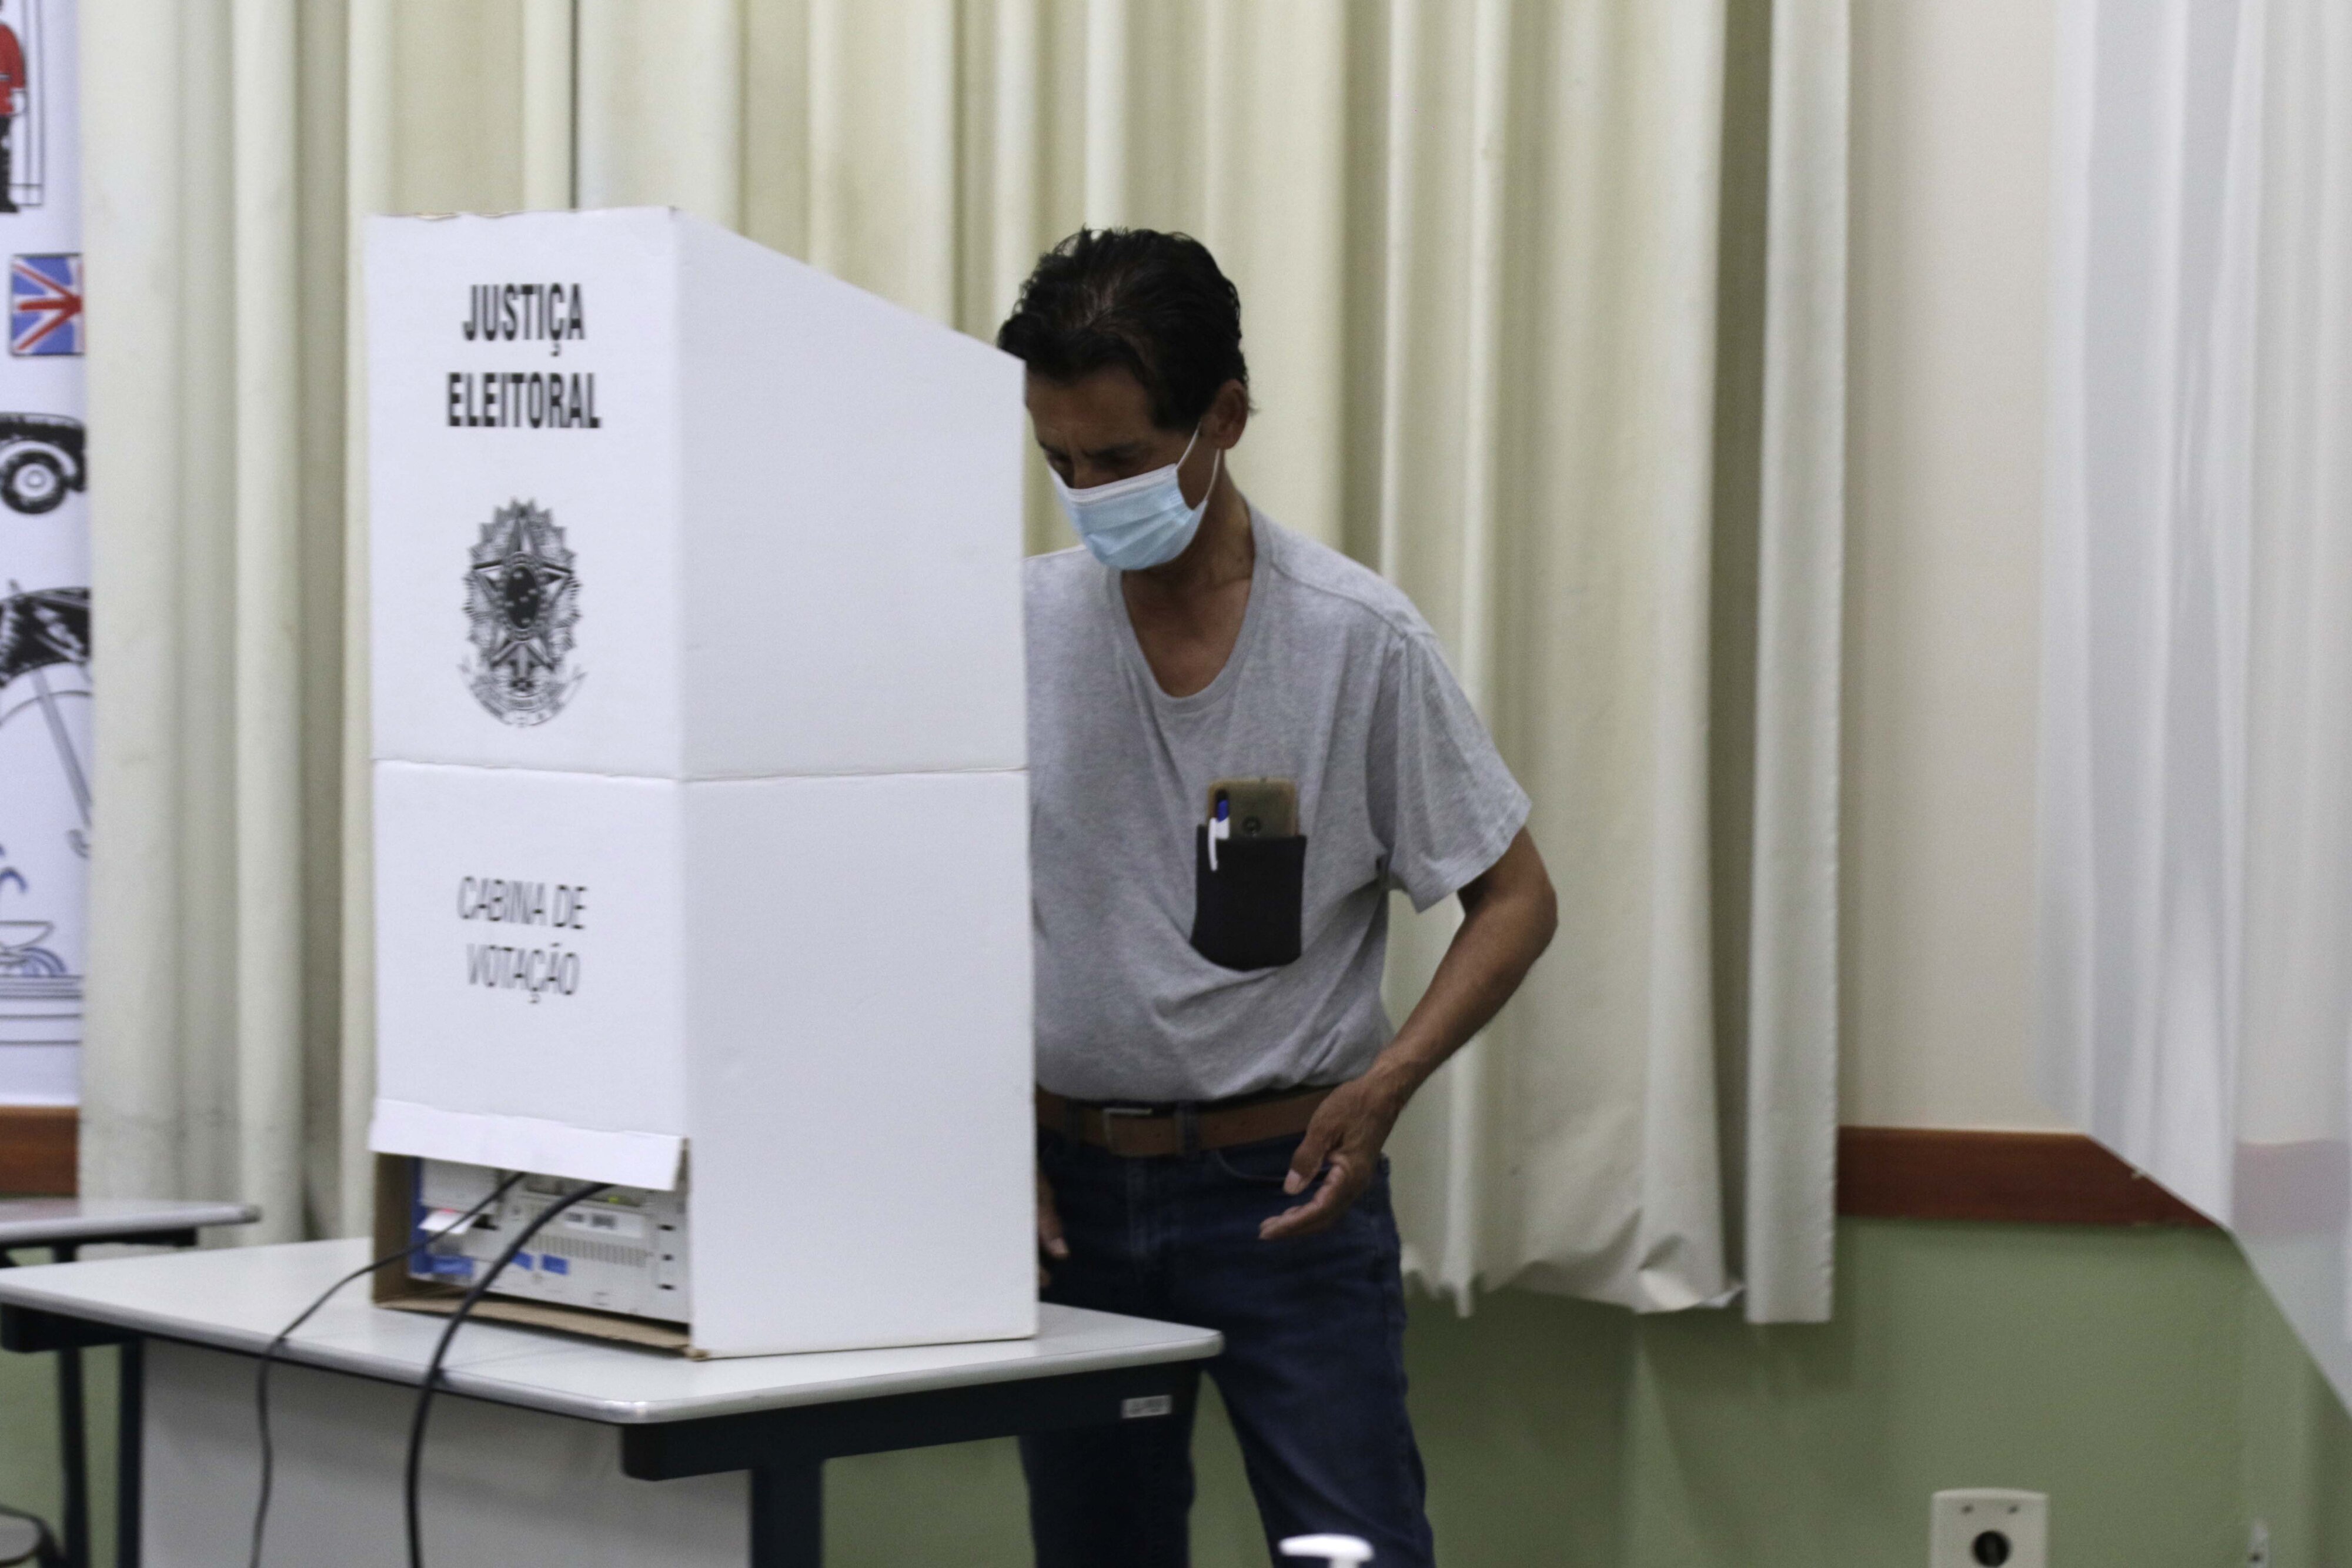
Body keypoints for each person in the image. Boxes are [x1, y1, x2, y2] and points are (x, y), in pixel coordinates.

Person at [1002, 228, 1558, 1567]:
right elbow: (923, 910)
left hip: (1284, 1196)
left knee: (1354, 1548)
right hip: (1068, 1199)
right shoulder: (1010, 630)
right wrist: (983, 1134)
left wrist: (1387, 1086)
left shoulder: (1352, 641)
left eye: (1121, 460)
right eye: (1058, 463)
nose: (1088, 495)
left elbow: (1514, 900)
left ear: (1224, 420)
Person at [0, 2, 25, 215]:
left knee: (2, 151)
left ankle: (1, 197)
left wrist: (18, 91)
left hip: (1, 102)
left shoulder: (6, 35)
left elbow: (16, 65)